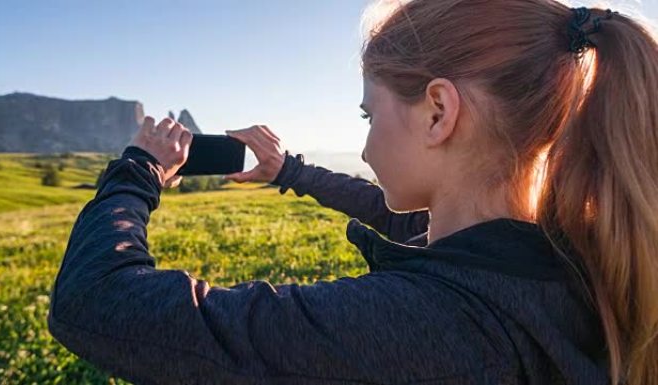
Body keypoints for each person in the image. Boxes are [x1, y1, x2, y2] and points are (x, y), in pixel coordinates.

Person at [46, 1, 658, 384]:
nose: (366, 148)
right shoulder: (571, 261)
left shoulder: (425, 327)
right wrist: (289, 172)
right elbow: (396, 221)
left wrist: (138, 170)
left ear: (438, 112)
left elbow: (97, 302)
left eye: (369, 116)